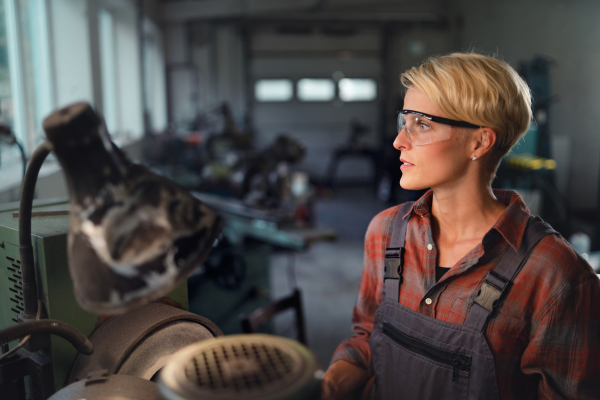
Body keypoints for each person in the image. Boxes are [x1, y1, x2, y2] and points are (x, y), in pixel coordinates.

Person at [321, 52, 600, 400]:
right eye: (403, 121)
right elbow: (369, 332)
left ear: (479, 142)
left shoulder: (555, 276)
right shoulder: (386, 233)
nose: (399, 141)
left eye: (421, 125)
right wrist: (346, 368)